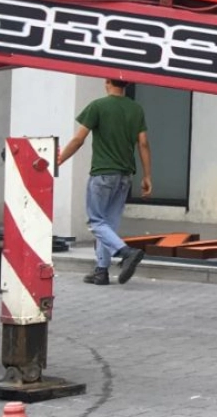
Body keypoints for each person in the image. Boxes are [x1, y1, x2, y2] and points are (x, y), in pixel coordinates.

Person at [56, 76, 152, 285]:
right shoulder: (136, 109)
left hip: (103, 173)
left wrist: (60, 158)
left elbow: (78, 139)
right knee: (108, 224)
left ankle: (126, 252)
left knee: (96, 221)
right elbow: (143, 143)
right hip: (126, 175)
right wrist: (147, 175)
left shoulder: (98, 106)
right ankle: (101, 271)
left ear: (107, 82)